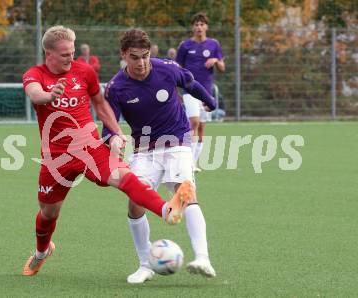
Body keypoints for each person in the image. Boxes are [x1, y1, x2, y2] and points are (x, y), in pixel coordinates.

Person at [21, 26, 194, 276]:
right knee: (48, 213)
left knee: (124, 177)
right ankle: (41, 252)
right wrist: (49, 95)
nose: (72, 58)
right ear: (48, 53)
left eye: (72, 52)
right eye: (65, 54)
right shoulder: (35, 74)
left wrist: (116, 132)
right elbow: (34, 94)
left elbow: (101, 106)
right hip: (55, 157)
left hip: (89, 147)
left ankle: (166, 210)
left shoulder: (84, 71)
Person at [102, 28, 217, 284]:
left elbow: (191, 84)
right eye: (135, 57)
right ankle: (145, 265)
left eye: (145, 56)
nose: (141, 62)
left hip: (177, 141)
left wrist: (210, 101)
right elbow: (108, 126)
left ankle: (202, 258)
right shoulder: (116, 88)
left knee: (184, 190)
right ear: (123, 55)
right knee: (135, 202)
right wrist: (114, 139)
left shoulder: (167, 68)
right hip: (144, 150)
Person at [176, 12, 225, 171]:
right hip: (190, 90)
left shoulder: (214, 44)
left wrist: (216, 61)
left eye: (202, 24)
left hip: (206, 91)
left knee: (202, 127)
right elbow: (177, 68)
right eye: (196, 24)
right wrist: (177, 90)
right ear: (193, 27)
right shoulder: (185, 46)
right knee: (194, 122)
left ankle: (193, 163)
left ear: (206, 27)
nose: (199, 27)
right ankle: (187, 161)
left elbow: (223, 68)